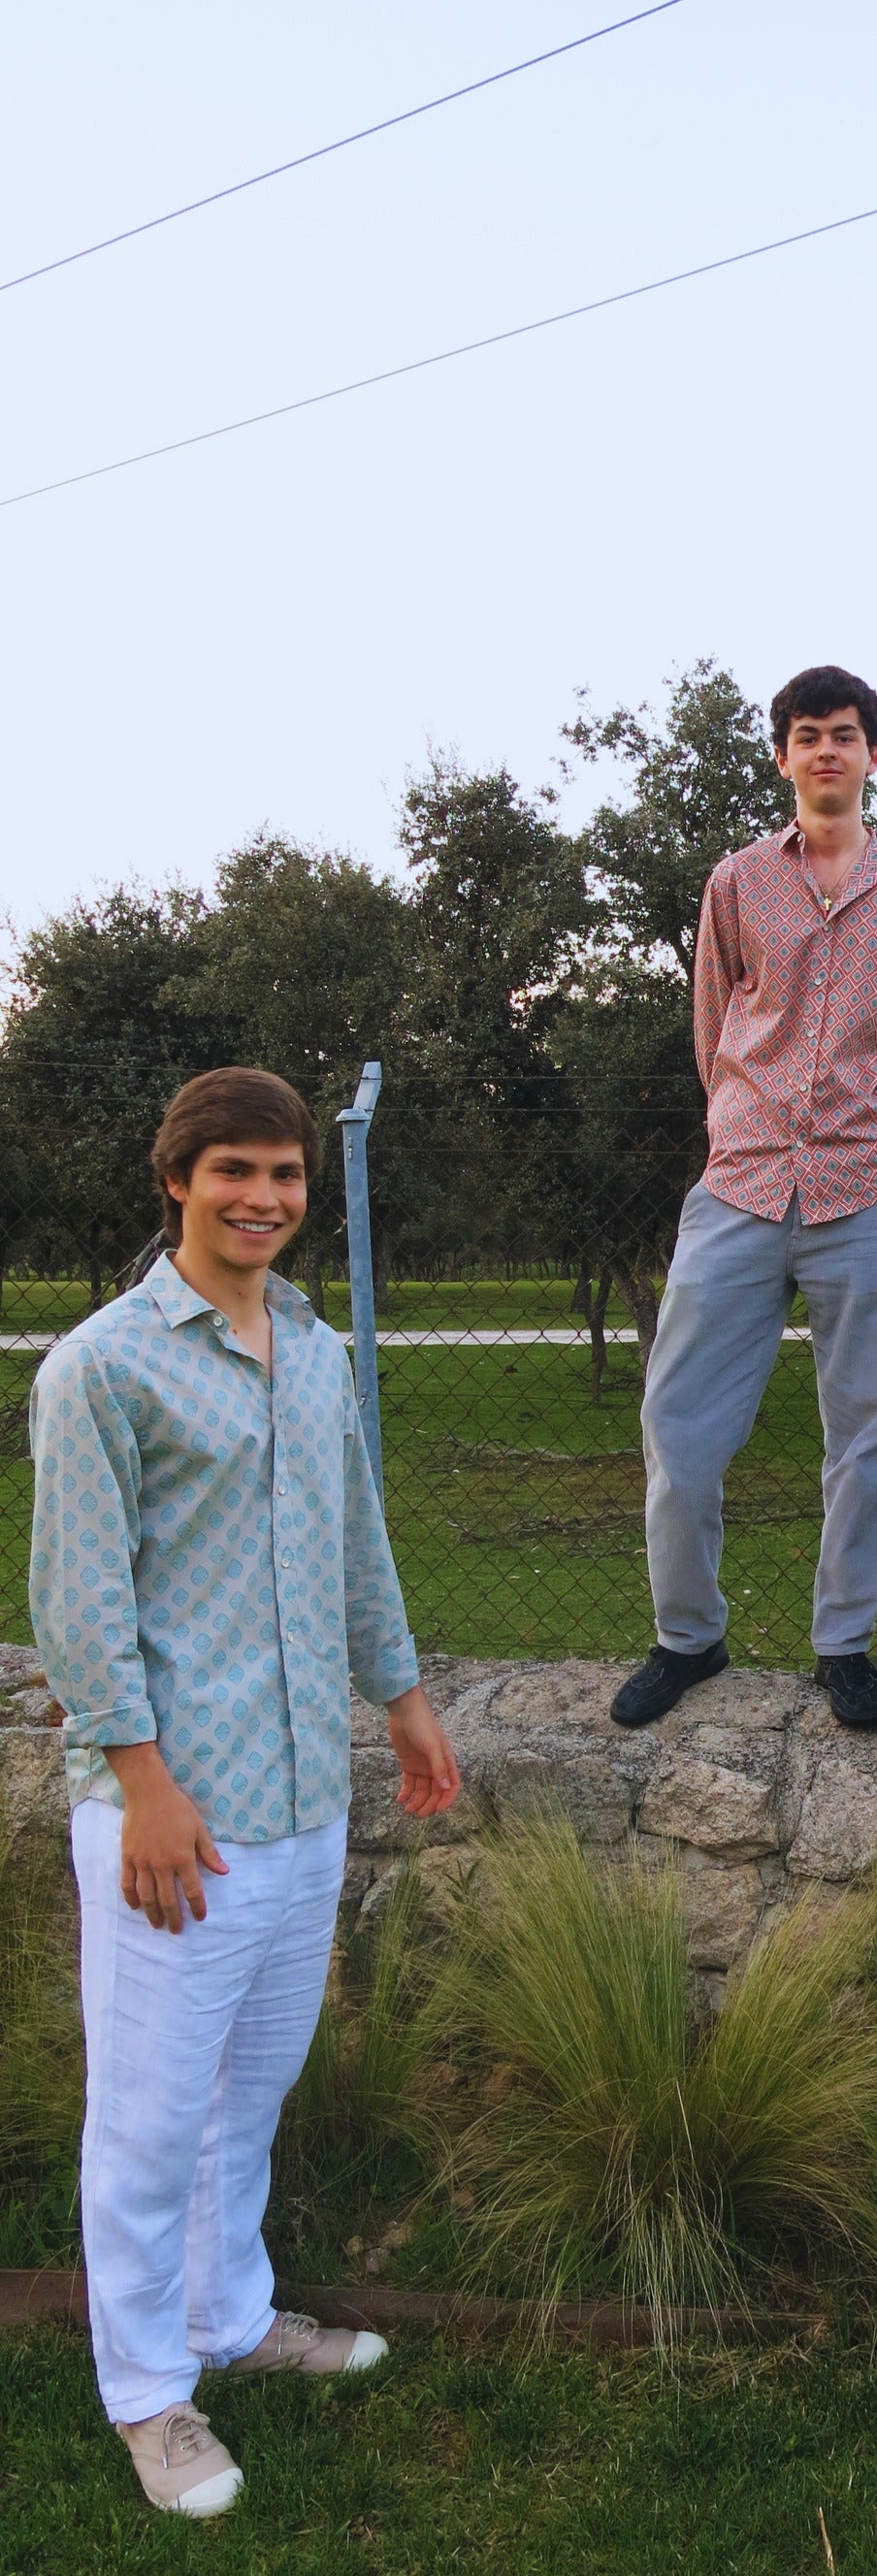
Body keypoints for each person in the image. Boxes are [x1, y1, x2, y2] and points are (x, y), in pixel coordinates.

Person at [30, 1067, 460, 2520]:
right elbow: (79, 1599)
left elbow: (355, 1542)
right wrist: (142, 1781)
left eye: (284, 1173)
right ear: (178, 1181)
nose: (264, 1197)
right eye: (234, 1171)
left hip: (301, 1796)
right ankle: (149, 2396)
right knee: (149, 2123)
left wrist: (401, 1699)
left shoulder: (316, 1354)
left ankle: (229, 2318)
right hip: (171, 1812)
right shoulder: (101, 1368)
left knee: (248, 2094)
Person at [612, 666, 877, 1733]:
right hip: (740, 1186)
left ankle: (844, 1644)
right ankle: (688, 1636)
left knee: (863, 1435)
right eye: (807, 735)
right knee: (677, 1424)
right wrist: (743, 1119)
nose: (826, 751)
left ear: (873, 754)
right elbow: (714, 1024)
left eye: (844, 734)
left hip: (864, 1190)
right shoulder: (735, 884)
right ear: (782, 757)